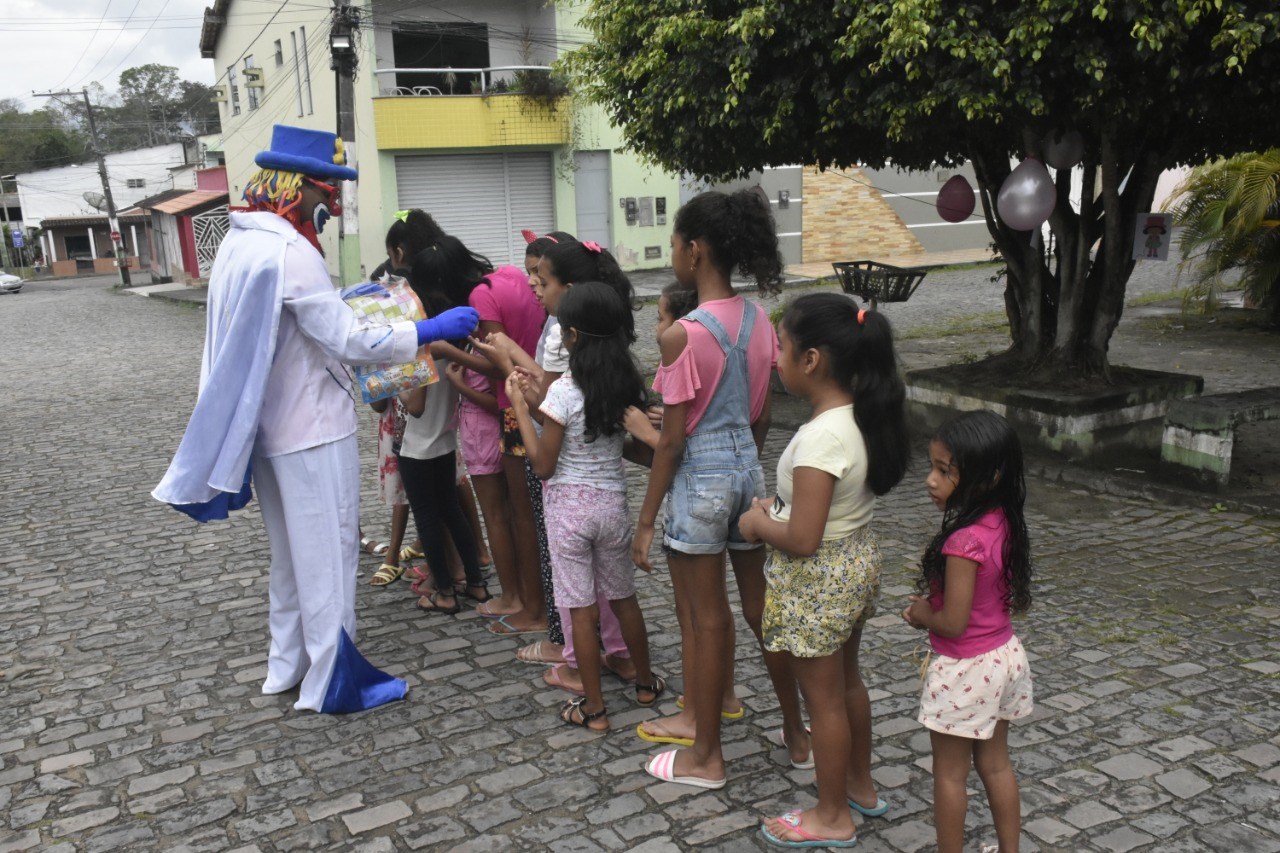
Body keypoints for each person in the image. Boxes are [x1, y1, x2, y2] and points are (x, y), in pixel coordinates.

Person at [152, 125, 478, 713]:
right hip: (312, 427)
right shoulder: (291, 252)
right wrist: (428, 329)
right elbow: (347, 337)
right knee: (329, 552)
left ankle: (288, 665)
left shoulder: (239, 242)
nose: (330, 203)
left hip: (272, 428)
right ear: (297, 186)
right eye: (325, 190)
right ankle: (332, 678)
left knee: (290, 557)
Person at [737, 293, 910, 848]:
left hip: (818, 582)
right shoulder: (856, 418)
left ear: (811, 360)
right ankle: (858, 783)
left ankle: (832, 813)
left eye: (782, 348)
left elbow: (804, 538)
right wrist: (777, 513)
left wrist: (758, 524)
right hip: (853, 565)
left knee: (825, 701)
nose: (775, 359)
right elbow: (823, 514)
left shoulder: (820, 438)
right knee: (848, 682)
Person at [633, 189, 783, 789]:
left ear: (694, 251)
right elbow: (764, 415)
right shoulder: (759, 320)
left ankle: (707, 753)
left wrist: (645, 520)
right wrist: (745, 462)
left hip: (699, 479)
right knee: (757, 608)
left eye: (674, 242)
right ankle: (797, 732)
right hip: (749, 470)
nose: (672, 252)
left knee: (705, 614)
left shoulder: (684, 335)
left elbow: (668, 443)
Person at [506, 282, 667, 730]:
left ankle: (594, 709)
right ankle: (645, 683)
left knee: (581, 609)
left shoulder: (563, 393)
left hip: (569, 515)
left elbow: (542, 464)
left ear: (572, 337)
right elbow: (629, 449)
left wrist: (520, 406)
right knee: (624, 599)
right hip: (612, 507)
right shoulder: (623, 387)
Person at [903, 410, 1035, 853]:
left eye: (945, 471)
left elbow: (953, 622)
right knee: (997, 766)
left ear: (988, 475)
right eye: (933, 467)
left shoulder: (963, 543)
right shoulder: (1002, 520)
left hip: (966, 669)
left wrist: (922, 613)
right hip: (1004, 656)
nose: (931, 480)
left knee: (949, 774)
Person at [397, 242, 492, 614]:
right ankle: (477, 584)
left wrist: (397, 387)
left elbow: (415, 405)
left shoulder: (422, 348)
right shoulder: (452, 342)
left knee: (427, 517)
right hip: (444, 442)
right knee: (452, 511)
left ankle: (445, 592)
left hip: (417, 447)